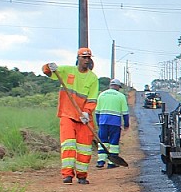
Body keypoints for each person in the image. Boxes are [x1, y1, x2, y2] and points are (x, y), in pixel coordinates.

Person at [42, 47, 100, 184]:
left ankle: (82, 175)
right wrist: (48, 67)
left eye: (88, 58)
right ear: (78, 58)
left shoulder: (93, 78)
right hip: (67, 114)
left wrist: (87, 112)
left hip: (84, 118)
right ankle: (67, 175)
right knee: (68, 145)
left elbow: (92, 99)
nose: (86, 60)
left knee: (84, 148)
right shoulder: (66, 71)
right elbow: (47, 72)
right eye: (84, 57)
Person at [94, 78, 130, 169]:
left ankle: (101, 161)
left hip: (103, 122)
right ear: (118, 86)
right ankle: (111, 163)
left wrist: (98, 123)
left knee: (103, 141)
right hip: (115, 122)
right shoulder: (121, 96)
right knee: (114, 143)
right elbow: (125, 112)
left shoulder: (101, 95)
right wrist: (126, 124)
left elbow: (97, 112)